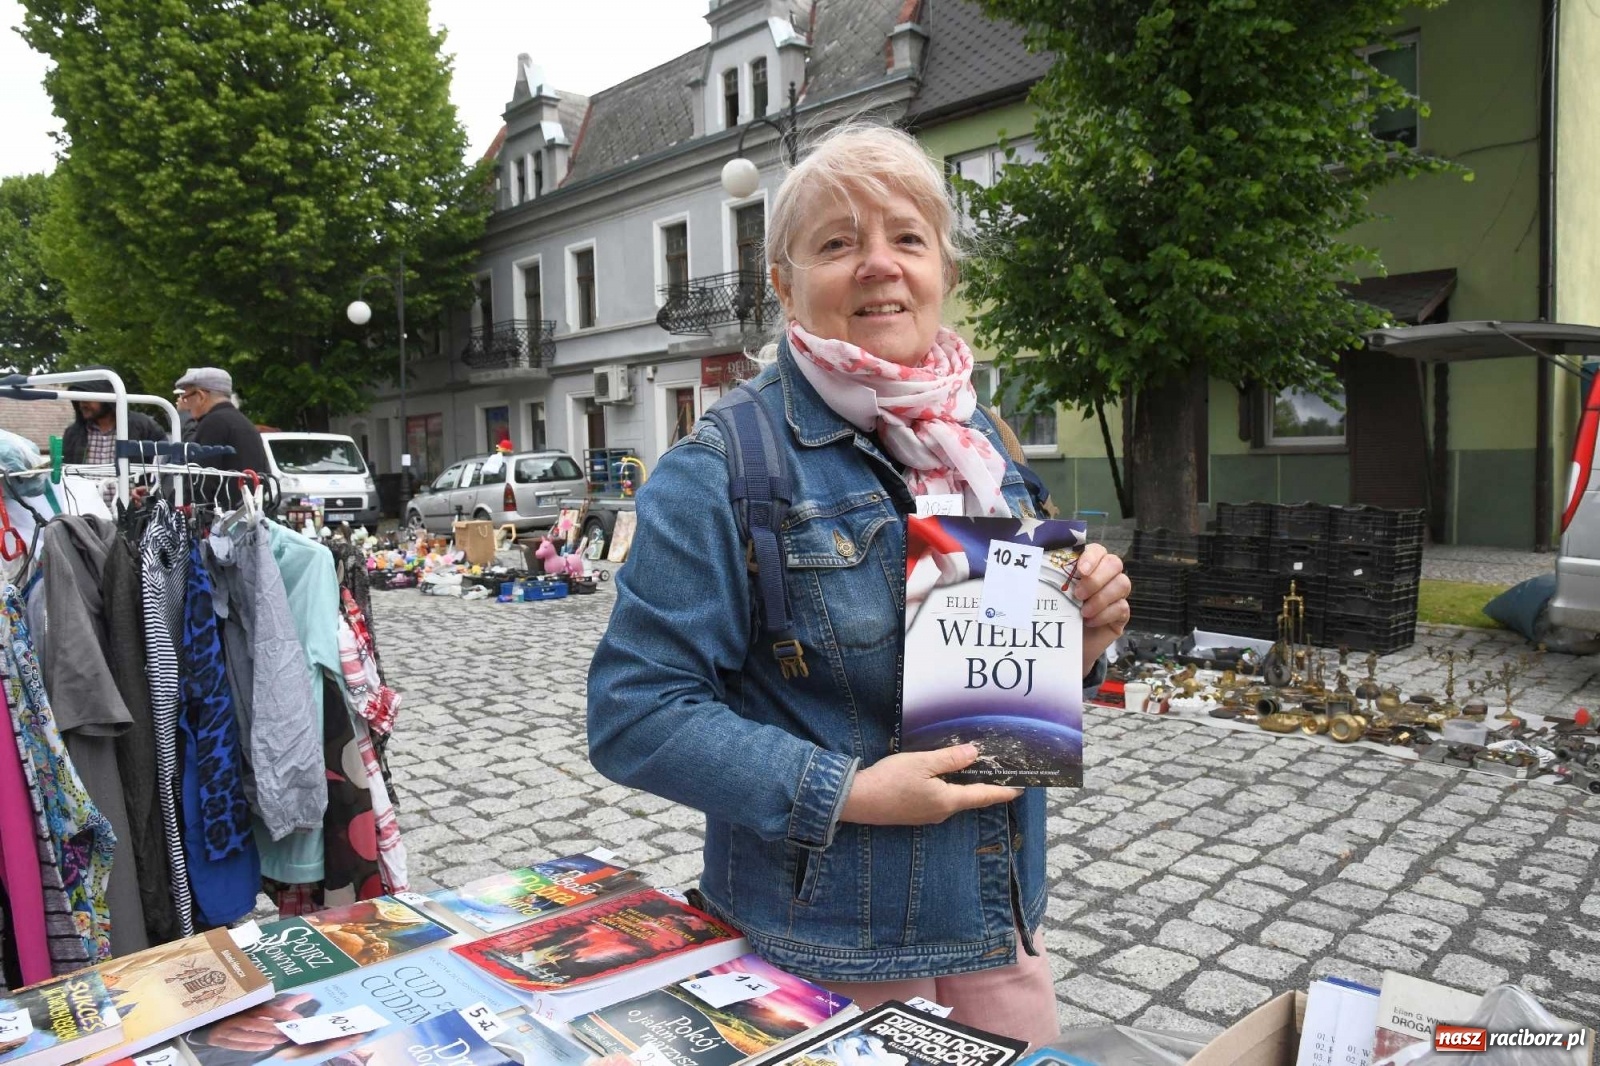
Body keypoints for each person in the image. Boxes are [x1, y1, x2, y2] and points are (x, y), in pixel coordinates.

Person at [586, 125, 1131, 1045]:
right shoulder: (721, 468)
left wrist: (1079, 648)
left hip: (999, 921)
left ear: (944, 271)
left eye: (907, 238)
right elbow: (635, 713)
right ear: (785, 283)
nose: (879, 265)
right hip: (831, 949)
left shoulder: (975, 435)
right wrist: (849, 791)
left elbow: (990, 696)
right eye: (839, 243)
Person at [175, 366, 268, 486]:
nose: (186, 406)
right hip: (248, 502)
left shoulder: (213, 423)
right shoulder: (244, 422)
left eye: (186, 398)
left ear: (201, 396)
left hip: (223, 503)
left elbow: (202, 482)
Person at [60, 376, 167, 464]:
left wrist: (148, 488)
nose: (82, 403)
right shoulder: (73, 434)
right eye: (78, 398)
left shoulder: (143, 426)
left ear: (108, 397)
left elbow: (165, 466)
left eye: (87, 397)